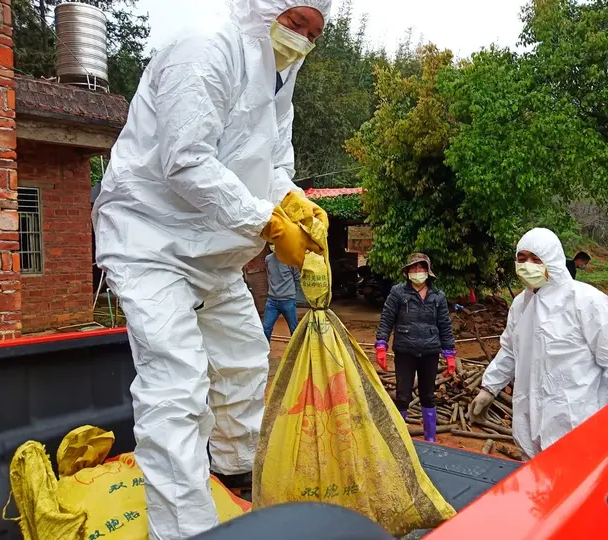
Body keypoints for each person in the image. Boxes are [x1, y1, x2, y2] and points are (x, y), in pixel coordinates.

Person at [91, 1, 332, 538]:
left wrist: (294, 203)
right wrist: (267, 224)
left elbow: (273, 166)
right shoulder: (208, 49)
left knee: (245, 362)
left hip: (213, 252)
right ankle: (184, 530)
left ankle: (234, 474)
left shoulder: (279, 78)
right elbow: (185, 160)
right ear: (266, 8)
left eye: (314, 33)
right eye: (295, 21)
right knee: (178, 388)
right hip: (150, 241)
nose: (303, 39)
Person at [469, 228, 608, 459]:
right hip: (529, 419)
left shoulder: (587, 302)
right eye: (522, 259)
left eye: (536, 259)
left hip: (578, 423)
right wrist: (489, 388)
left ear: (553, 260)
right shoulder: (520, 304)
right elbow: (510, 350)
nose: (527, 265)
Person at [375, 254, 456, 443]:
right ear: (407, 272)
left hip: (430, 352)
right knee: (402, 396)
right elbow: (387, 319)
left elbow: (444, 325)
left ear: (428, 272)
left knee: (428, 395)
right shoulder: (398, 293)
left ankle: (430, 439)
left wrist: (450, 353)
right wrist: (381, 344)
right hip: (405, 351)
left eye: (421, 268)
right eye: (413, 268)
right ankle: (400, 440)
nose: (417, 272)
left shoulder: (438, 296)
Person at [263, 245, 301, 341]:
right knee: (266, 329)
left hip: (288, 301)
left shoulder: (290, 259)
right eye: (272, 243)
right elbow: (269, 276)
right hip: (272, 301)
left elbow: (297, 278)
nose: (274, 246)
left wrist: (293, 295)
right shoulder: (268, 259)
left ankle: (296, 353)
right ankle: (264, 354)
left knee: (294, 329)